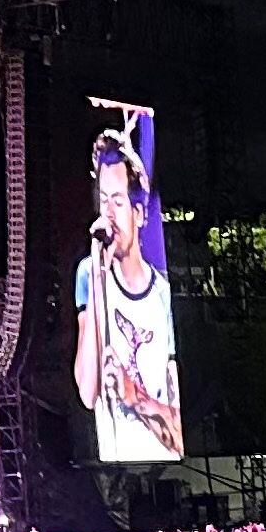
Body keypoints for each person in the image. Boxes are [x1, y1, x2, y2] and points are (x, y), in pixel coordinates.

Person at [71, 122, 183, 461]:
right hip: (114, 457)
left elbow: (178, 429)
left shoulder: (162, 296)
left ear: (139, 213)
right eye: (103, 201)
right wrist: (98, 272)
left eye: (117, 202)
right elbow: (88, 392)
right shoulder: (90, 274)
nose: (107, 214)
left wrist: (133, 394)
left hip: (161, 457)